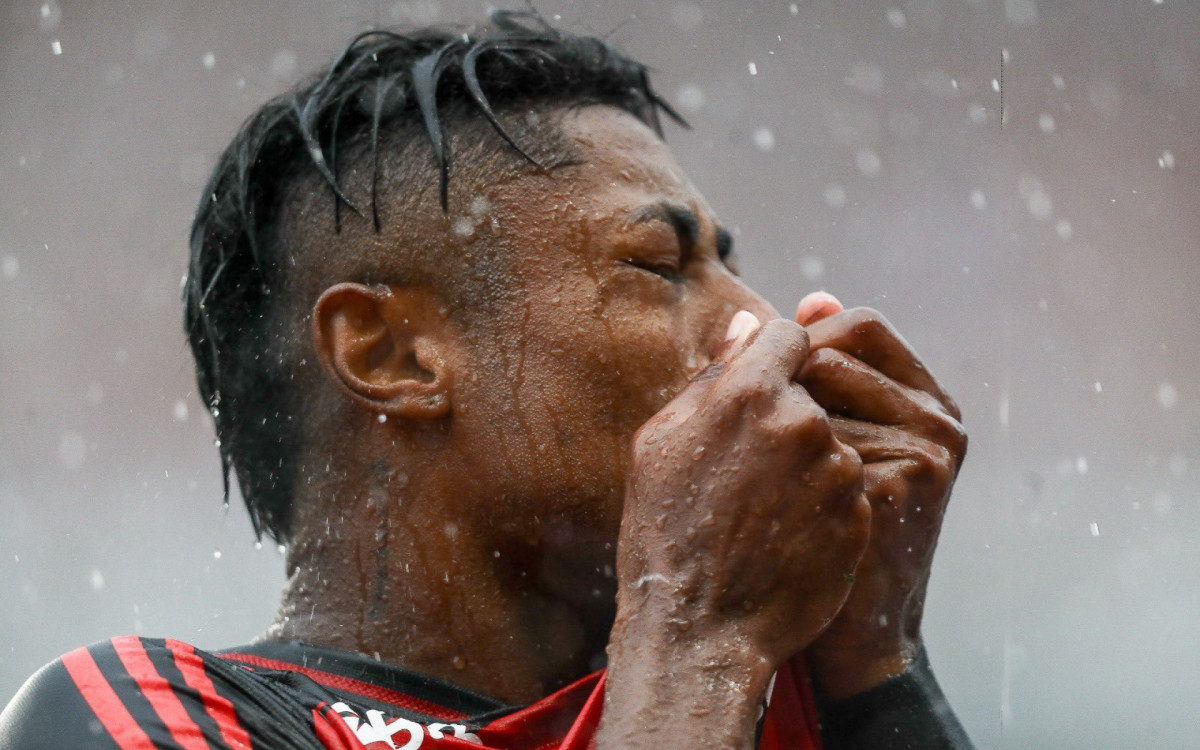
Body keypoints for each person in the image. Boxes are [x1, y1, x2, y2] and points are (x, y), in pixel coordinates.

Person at [0, 11, 972, 750]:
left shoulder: (780, 694)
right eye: (658, 267)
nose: (757, 324)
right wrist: (693, 635)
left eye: (728, 266)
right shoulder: (140, 712)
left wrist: (879, 661)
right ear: (392, 354)